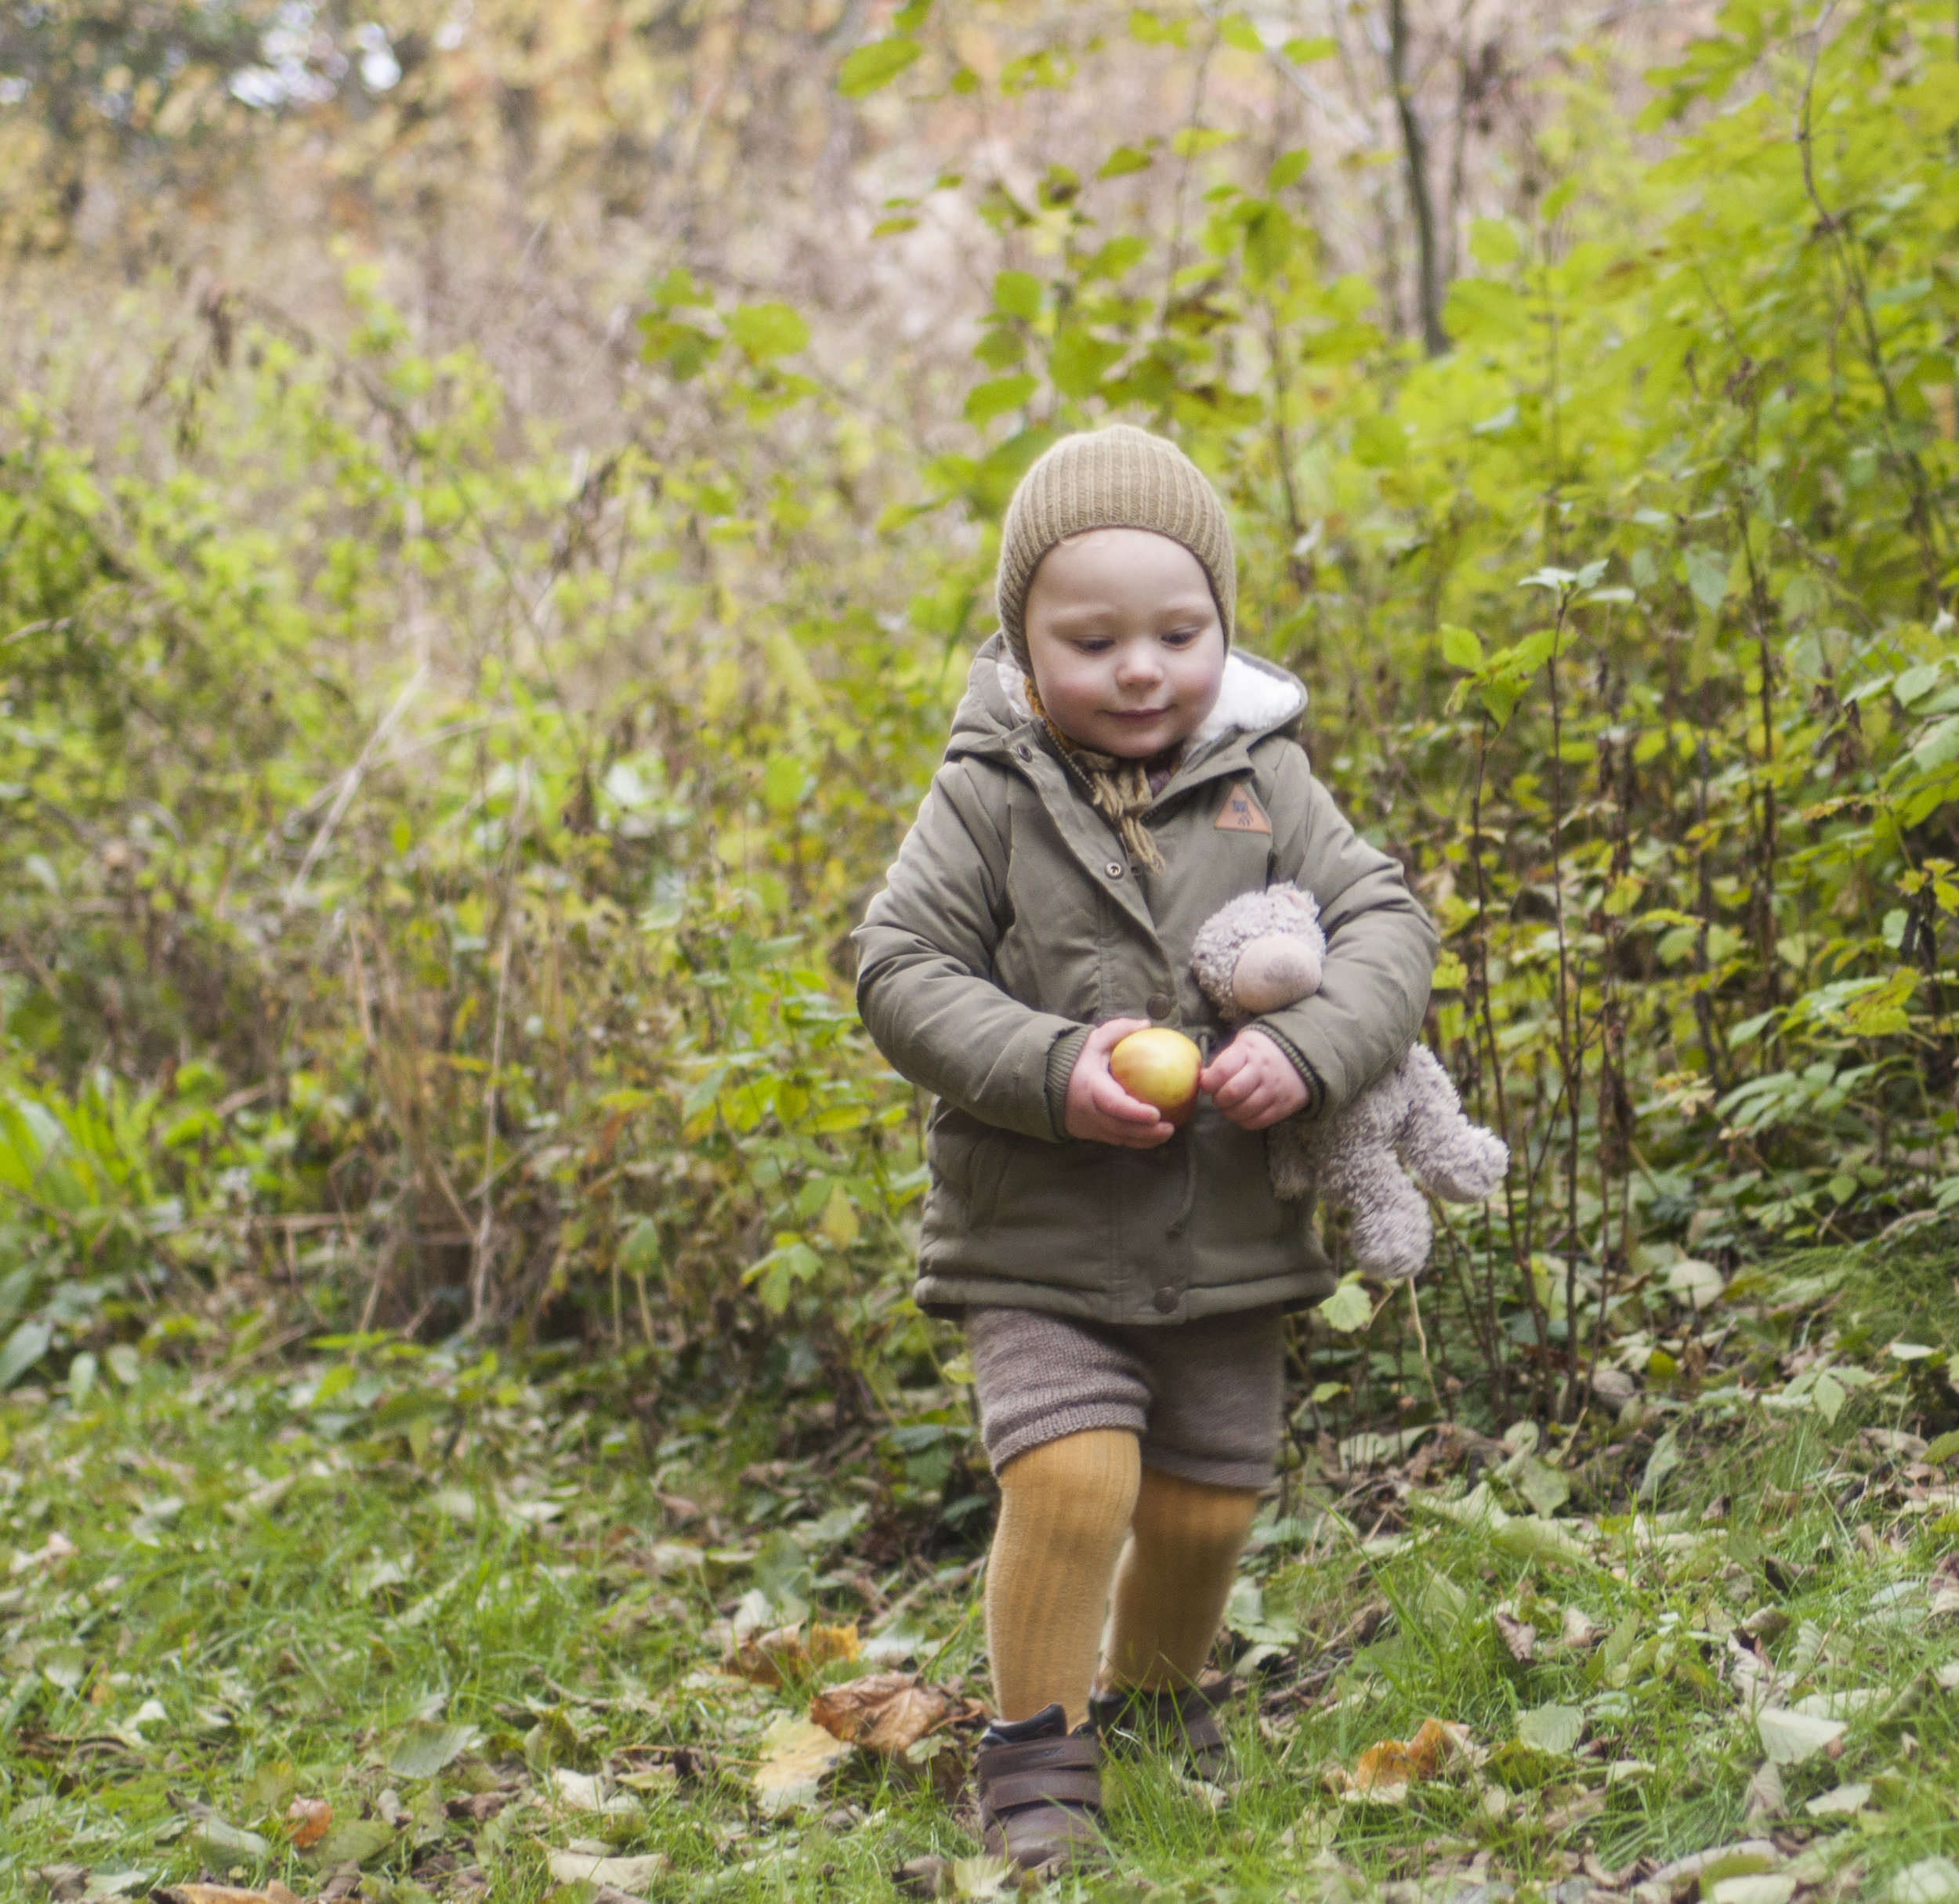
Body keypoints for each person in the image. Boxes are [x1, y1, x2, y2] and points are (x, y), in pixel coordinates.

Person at [852, 425, 1436, 1872]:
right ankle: (1039, 1760)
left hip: (1232, 1227)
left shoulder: (1268, 782)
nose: (1139, 668)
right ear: (1022, 639)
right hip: (1040, 1226)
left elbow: (1388, 925)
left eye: (1178, 632)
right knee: (1071, 1477)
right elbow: (900, 965)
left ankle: (1160, 1700)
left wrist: (1308, 1051)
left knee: (1207, 1490)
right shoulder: (990, 788)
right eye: (1091, 636)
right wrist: (1055, 1067)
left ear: (1221, 629)